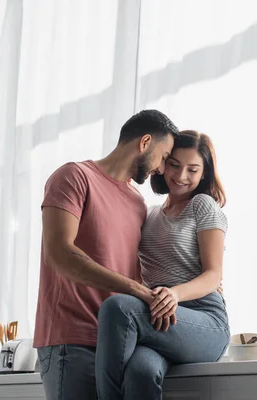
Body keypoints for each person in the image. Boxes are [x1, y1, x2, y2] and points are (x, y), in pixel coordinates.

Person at [34, 109, 179, 400]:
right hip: (71, 342)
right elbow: (59, 252)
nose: (162, 170)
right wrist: (137, 291)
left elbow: (136, 265)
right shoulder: (74, 177)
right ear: (145, 142)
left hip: (118, 342)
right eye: (163, 157)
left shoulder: (138, 203)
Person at [95, 130, 230, 399]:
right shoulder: (151, 213)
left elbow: (213, 275)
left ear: (203, 174)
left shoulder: (203, 205)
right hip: (159, 318)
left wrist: (175, 294)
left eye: (192, 170)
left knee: (118, 308)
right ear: (163, 163)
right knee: (140, 372)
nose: (181, 177)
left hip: (203, 319)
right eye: (174, 165)